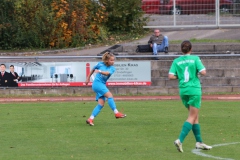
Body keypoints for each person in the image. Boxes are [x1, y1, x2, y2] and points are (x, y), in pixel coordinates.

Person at [168, 40, 212, 153]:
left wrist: (180, 76)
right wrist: (196, 72)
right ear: (191, 49)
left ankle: (199, 142)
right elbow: (203, 72)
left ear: (181, 50)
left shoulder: (176, 61)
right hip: (194, 90)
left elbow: (171, 76)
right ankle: (180, 140)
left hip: (183, 90)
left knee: (195, 116)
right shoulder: (195, 58)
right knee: (192, 116)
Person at [85, 51, 126, 126]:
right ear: (107, 60)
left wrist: (100, 71)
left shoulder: (112, 68)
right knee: (110, 96)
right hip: (97, 84)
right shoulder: (100, 64)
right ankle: (116, 113)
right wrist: (88, 78)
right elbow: (93, 69)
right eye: (111, 60)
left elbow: (107, 73)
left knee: (101, 104)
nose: (113, 62)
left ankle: (90, 119)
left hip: (101, 85)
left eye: (113, 60)